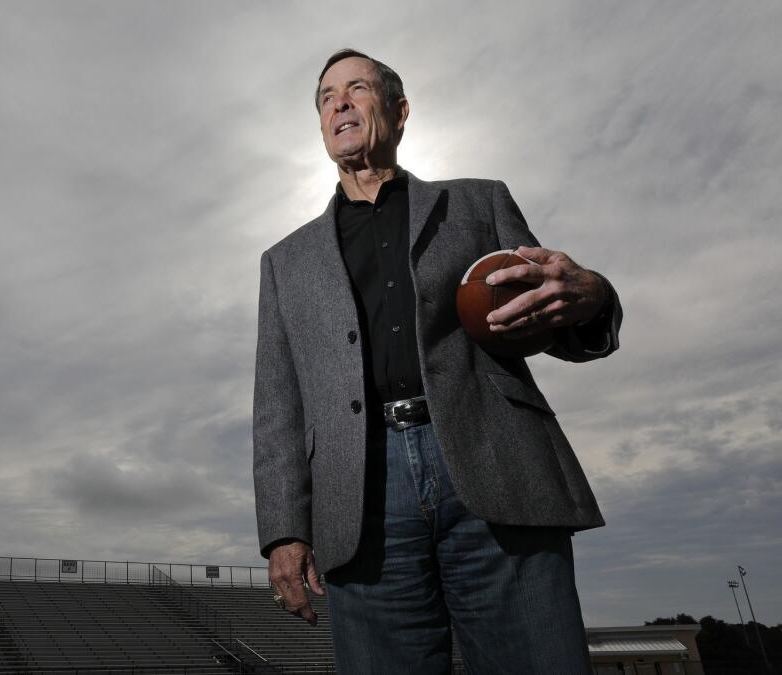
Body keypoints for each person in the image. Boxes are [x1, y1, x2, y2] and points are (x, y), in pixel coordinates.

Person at [253, 48, 622, 673]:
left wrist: (591, 296)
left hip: (495, 462)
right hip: (362, 495)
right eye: (325, 97)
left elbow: (550, 314)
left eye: (357, 89)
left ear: (398, 112)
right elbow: (277, 403)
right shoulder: (284, 261)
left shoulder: (478, 204)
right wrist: (285, 529)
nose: (339, 102)